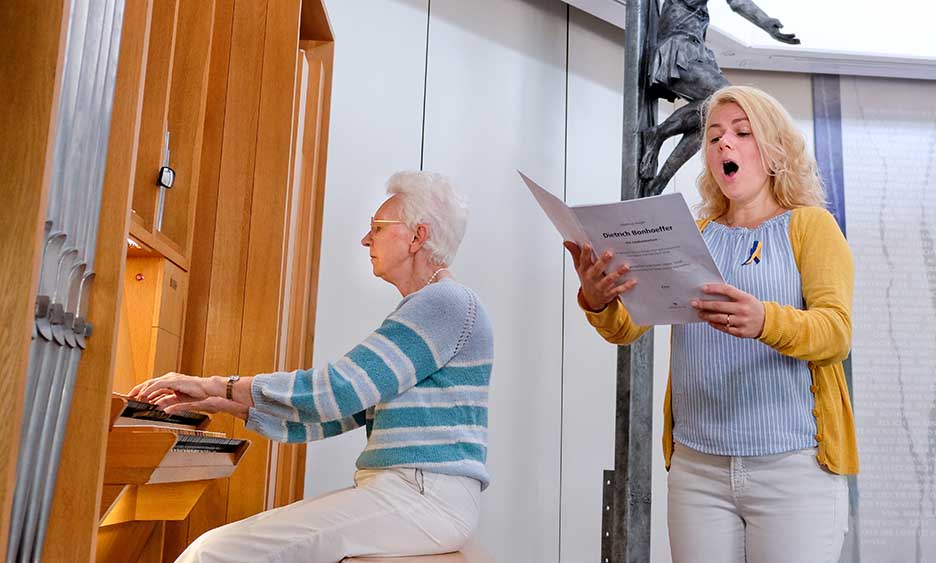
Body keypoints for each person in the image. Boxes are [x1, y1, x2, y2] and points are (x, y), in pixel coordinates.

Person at [130, 171, 493, 563]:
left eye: (377, 227)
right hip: (417, 495)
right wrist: (223, 401)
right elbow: (340, 414)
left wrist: (217, 384)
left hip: (422, 496)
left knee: (210, 553)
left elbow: (335, 390)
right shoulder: (434, 307)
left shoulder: (445, 303)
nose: (366, 239)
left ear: (417, 237)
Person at [566, 85, 857, 563]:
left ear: (776, 150)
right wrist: (599, 301)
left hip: (792, 471)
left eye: (743, 133)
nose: (725, 143)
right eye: (715, 136)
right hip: (697, 472)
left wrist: (765, 320)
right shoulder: (692, 235)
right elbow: (629, 328)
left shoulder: (810, 226)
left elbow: (835, 333)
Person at [640, 0, 799, 193]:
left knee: (709, 120)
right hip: (680, 49)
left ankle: (658, 184)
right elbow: (738, 3)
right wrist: (765, 22)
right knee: (726, 101)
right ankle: (659, 134)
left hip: (692, 50)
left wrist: (767, 23)